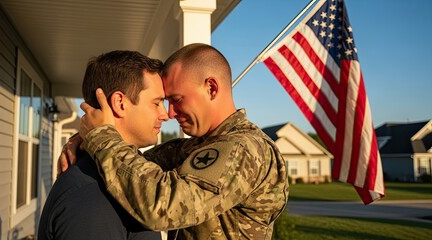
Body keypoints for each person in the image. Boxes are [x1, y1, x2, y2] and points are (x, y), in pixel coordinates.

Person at [62, 43, 289, 239]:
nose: (170, 113)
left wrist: (100, 136)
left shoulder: (245, 149)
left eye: (176, 99)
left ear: (211, 88)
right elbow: (131, 168)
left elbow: (162, 206)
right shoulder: (196, 147)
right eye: (163, 102)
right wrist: (85, 136)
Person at [38, 50, 167, 240]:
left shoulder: (125, 176)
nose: (165, 114)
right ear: (120, 103)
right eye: (157, 103)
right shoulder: (92, 197)